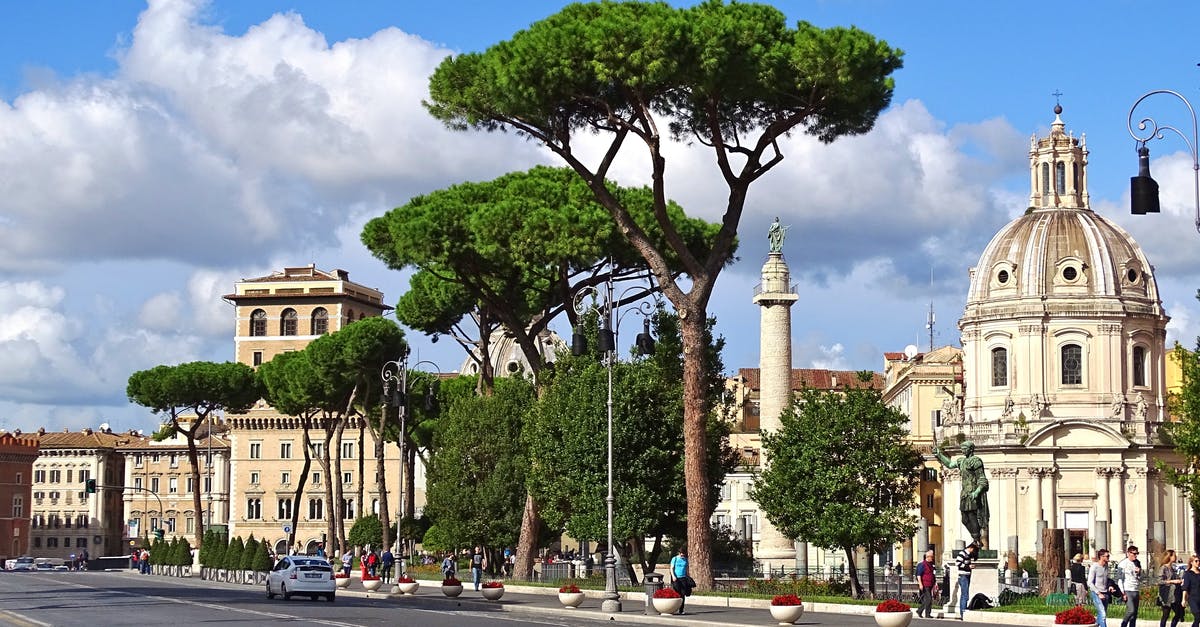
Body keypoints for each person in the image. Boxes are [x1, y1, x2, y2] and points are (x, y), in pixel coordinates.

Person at [935, 441, 990, 548]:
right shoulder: (962, 461)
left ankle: (977, 539)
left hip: (973, 492)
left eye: (964, 448)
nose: (962, 450)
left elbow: (982, 478)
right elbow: (950, 464)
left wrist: (977, 492)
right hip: (965, 492)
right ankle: (976, 538)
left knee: (972, 516)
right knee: (964, 519)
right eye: (962, 448)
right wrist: (939, 454)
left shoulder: (976, 461)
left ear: (970, 449)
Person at [1117, 545, 1143, 627]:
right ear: (1128, 553)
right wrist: (1122, 593)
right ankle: (1123, 624)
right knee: (1131, 610)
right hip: (1127, 589)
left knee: (1134, 614)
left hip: (1135, 589)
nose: (1135, 555)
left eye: (1137, 554)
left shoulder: (1137, 562)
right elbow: (1119, 579)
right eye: (1134, 553)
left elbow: (1140, 578)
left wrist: (1139, 572)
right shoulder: (1122, 564)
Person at [1159, 549, 1184, 627]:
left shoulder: (1172, 568)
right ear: (1169, 557)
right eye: (1174, 555)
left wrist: (1180, 580)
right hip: (1166, 594)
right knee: (1166, 615)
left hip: (1174, 594)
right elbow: (1160, 581)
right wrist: (1172, 581)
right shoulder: (1163, 568)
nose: (1175, 556)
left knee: (1178, 613)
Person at [1090, 549, 1113, 627]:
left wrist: (1110, 586)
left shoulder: (1106, 566)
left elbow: (1107, 579)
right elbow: (1089, 582)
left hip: (1105, 592)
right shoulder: (1094, 567)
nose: (1108, 557)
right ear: (1101, 556)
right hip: (1096, 592)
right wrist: (1098, 593)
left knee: (1102, 613)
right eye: (1107, 556)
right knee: (1102, 613)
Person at [955, 543, 977, 619]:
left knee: (965, 594)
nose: (973, 552)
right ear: (970, 548)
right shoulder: (962, 553)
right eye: (973, 550)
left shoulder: (968, 555)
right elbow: (957, 563)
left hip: (967, 575)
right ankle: (963, 612)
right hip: (963, 576)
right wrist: (968, 566)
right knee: (965, 595)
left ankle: (963, 611)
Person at [916, 549, 939, 618]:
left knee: (927, 599)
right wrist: (920, 584)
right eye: (931, 557)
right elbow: (918, 575)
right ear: (928, 557)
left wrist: (935, 583)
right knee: (929, 599)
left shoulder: (931, 565)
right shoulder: (922, 565)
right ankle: (927, 614)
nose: (932, 558)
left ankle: (920, 611)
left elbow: (933, 574)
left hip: (930, 584)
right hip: (925, 584)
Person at [669, 548, 692, 615]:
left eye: (683, 554)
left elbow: (687, 569)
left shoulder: (685, 560)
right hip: (676, 578)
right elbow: (672, 568)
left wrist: (688, 576)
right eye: (681, 554)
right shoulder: (675, 559)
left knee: (682, 594)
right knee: (676, 593)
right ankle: (673, 608)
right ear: (679, 553)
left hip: (683, 578)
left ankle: (681, 610)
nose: (682, 555)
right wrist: (673, 576)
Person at [1181, 555, 1200, 627]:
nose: (1198, 562)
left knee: (1198, 618)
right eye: (1196, 561)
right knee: (1197, 615)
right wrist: (1183, 599)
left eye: (1199, 561)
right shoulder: (1188, 574)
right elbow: (1185, 587)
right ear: (1191, 562)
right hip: (1193, 598)